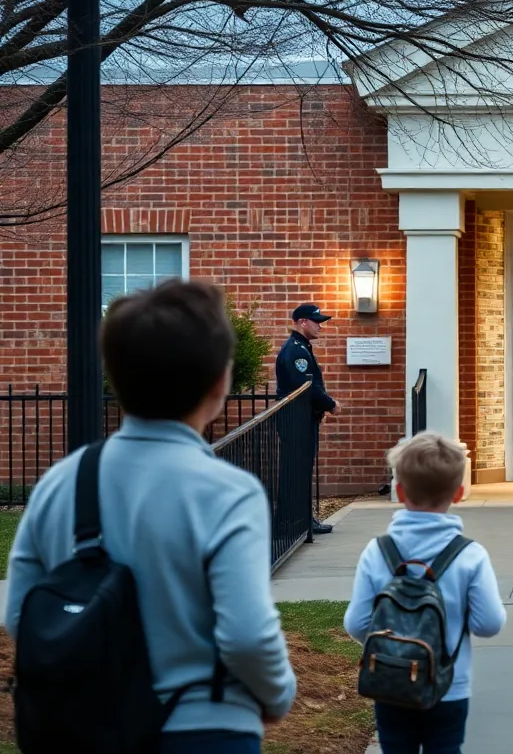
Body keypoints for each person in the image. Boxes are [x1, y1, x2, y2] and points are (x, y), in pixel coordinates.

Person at [5, 279, 297, 752]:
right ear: (220, 382)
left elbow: (21, 611)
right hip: (204, 727)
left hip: (86, 727)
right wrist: (277, 695)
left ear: (115, 377)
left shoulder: (60, 483)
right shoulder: (229, 491)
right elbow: (246, 635)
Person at [344, 431, 507, 754]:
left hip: (391, 682)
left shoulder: (377, 552)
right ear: (459, 493)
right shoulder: (470, 555)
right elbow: (489, 623)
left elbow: (356, 623)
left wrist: (396, 645)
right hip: (449, 686)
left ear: (400, 490)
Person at [275, 303, 340, 535]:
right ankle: (292, 521)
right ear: (303, 322)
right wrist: (330, 404)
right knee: (297, 469)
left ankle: (297, 519)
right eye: (317, 322)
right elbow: (307, 387)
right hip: (296, 419)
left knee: (299, 469)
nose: (320, 327)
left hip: (301, 417)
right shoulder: (296, 351)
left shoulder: (300, 347)